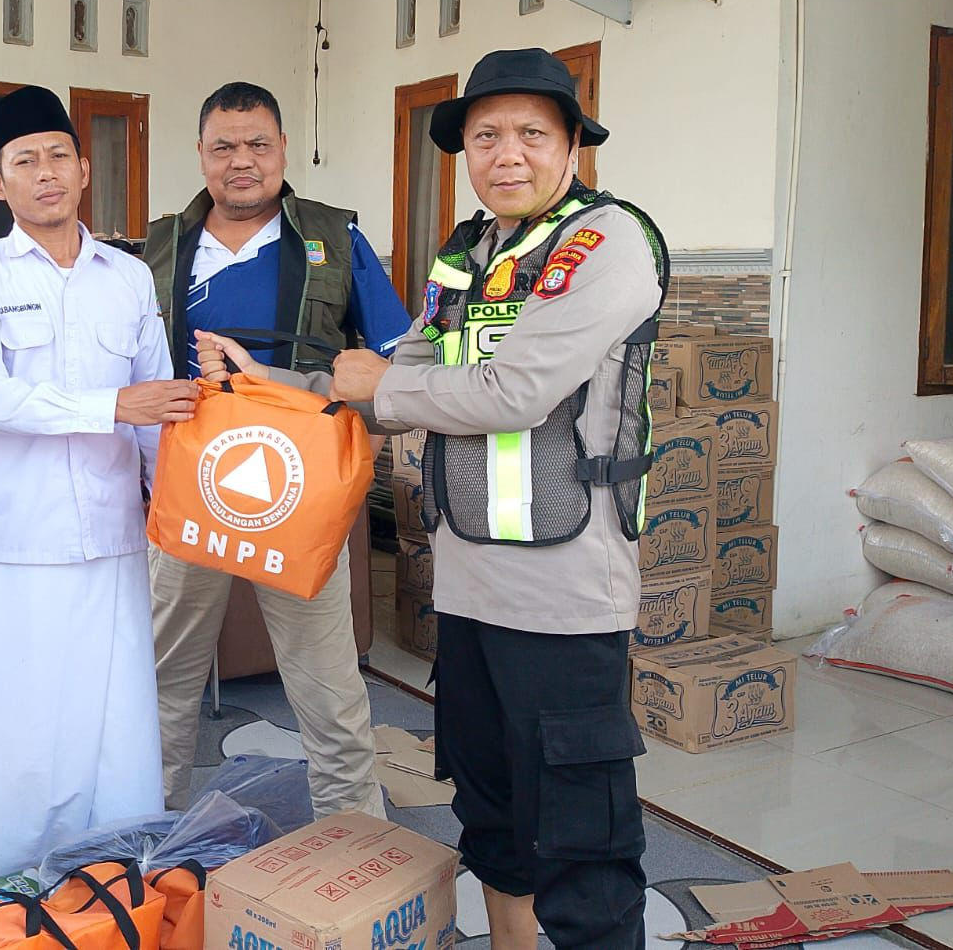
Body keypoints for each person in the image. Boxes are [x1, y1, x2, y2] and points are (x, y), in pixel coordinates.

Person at [198, 48, 667, 950]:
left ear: (573, 144)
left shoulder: (604, 245)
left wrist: (377, 382)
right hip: (467, 588)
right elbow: (394, 375)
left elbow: (510, 394)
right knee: (492, 824)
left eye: (532, 133)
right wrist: (281, 383)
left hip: (565, 598)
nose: (507, 154)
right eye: (486, 136)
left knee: (582, 846)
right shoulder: (472, 252)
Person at [0, 84, 198, 891]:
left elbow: (160, 408)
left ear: (85, 169)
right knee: (7, 735)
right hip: (15, 541)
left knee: (111, 733)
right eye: (24, 161)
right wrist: (112, 406)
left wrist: (180, 505)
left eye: (58, 156)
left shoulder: (126, 277)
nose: (45, 173)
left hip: (113, 540)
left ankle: (105, 891)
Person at [142, 81, 413, 820]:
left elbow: (397, 369)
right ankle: (145, 850)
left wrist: (311, 386)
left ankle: (357, 852)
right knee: (163, 682)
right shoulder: (159, 249)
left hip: (300, 495)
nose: (242, 161)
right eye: (224, 146)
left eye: (258, 144)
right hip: (190, 492)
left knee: (329, 691)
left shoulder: (335, 239)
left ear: (284, 150)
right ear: (199, 155)